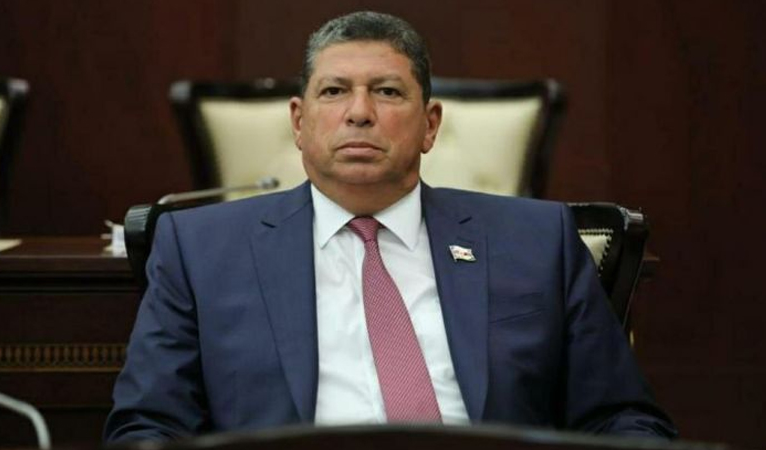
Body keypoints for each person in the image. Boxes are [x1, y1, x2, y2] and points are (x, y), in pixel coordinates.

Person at [104, 11, 676, 443]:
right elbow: (149, 424)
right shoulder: (200, 249)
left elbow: (621, 417)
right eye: (335, 91)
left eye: (387, 91)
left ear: (430, 125)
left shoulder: (537, 240)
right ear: (299, 123)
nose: (359, 112)